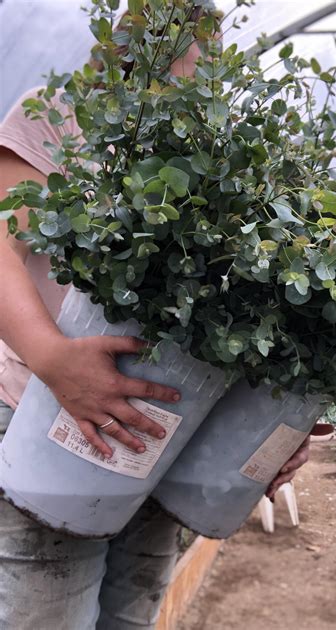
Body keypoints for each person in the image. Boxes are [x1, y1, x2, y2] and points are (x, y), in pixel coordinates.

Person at [0, 8, 318, 630]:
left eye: (200, 41)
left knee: (130, 618)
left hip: (162, 437)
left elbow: (242, 321)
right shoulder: (65, 114)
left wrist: (273, 429)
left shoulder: (226, 159)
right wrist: (52, 359)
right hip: (44, 416)